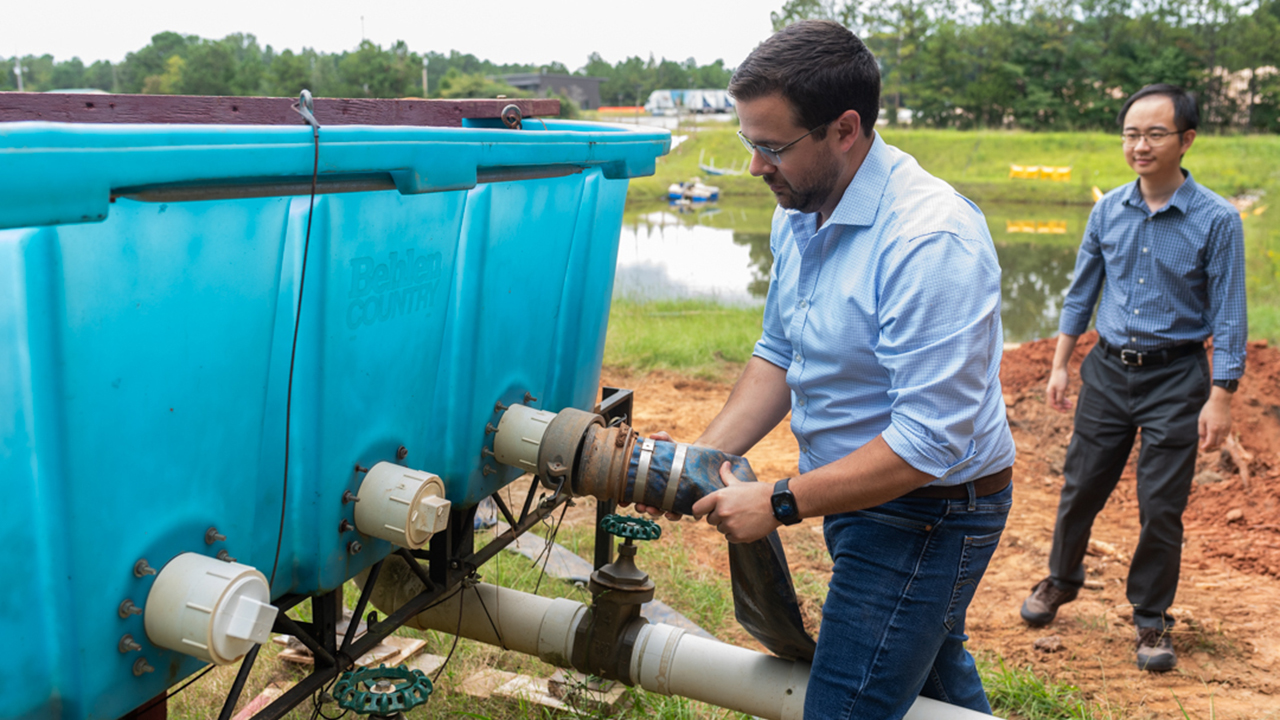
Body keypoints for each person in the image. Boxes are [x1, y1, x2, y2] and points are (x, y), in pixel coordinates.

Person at [636, 20, 1016, 718]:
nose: (755, 166)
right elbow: (779, 353)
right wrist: (703, 458)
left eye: (772, 146)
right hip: (857, 493)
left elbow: (930, 442)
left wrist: (780, 501)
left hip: (925, 513)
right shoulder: (802, 207)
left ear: (845, 130)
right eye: (748, 143)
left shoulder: (930, 240)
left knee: (845, 704)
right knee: (930, 679)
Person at [1018, 84, 1247, 673]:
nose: (1139, 145)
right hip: (1109, 372)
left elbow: (1230, 314)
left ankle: (1150, 618)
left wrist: (1221, 397)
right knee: (1080, 487)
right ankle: (1061, 579)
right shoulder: (1108, 209)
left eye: (1154, 134)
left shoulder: (1217, 220)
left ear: (1186, 140)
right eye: (1130, 134)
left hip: (1177, 380)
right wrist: (1061, 363)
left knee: (1160, 507)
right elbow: (1082, 291)